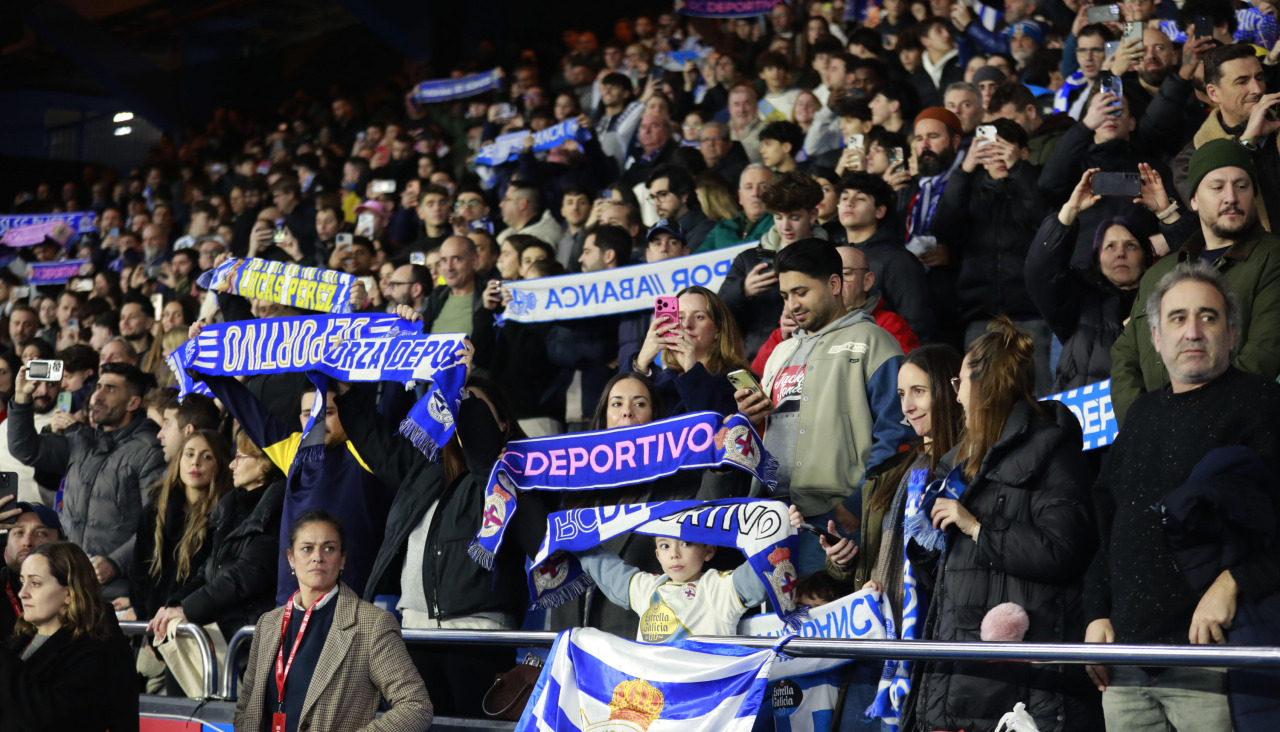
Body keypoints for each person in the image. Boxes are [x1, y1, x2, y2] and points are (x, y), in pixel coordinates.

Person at [1085, 262, 1280, 732]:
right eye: (1177, 318)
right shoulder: (1140, 416)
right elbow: (1108, 524)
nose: (1192, 331)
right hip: (1128, 665)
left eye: (1208, 317)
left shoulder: (1262, 406)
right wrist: (1097, 614)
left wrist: (1235, 581)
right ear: (1155, 337)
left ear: (1232, 333)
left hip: (1217, 662)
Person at [904, 317, 1099, 732]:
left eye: (960, 385)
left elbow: (1063, 550)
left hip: (1021, 683)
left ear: (987, 388)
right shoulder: (956, 461)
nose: (956, 398)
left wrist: (977, 528)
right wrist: (926, 545)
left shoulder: (1053, 452)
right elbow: (950, 576)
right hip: (959, 673)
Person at [736, 239, 911, 576]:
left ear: (834, 284)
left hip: (834, 521)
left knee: (823, 620)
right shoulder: (780, 352)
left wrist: (855, 505)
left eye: (801, 292)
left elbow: (897, 433)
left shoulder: (875, 341)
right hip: (772, 518)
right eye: (785, 296)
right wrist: (750, 417)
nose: (792, 305)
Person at [193, 321, 397, 605]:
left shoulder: (365, 450)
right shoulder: (296, 451)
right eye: (306, 414)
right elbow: (244, 406)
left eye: (326, 412)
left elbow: (390, 397)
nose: (314, 421)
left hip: (351, 608)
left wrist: (401, 336)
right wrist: (205, 362)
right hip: (291, 605)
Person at [1111, 140, 1280, 425]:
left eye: (1242, 186)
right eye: (1216, 187)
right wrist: (1141, 427)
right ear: (1194, 199)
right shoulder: (1159, 273)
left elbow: (1262, 356)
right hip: (1155, 440)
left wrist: (1191, 422)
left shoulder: (1272, 257)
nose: (1231, 197)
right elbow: (1124, 357)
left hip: (1232, 434)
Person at [234, 511, 433, 732]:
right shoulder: (268, 623)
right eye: (307, 548)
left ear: (342, 559)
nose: (317, 557)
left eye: (328, 548)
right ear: (291, 558)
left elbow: (416, 706)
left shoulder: (372, 624)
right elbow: (246, 707)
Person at [7, 361, 165, 599]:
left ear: (133, 402)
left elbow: (156, 522)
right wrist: (21, 398)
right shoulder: (80, 440)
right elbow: (24, 448)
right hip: (65, 582)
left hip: (115, 588)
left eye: (110, 389)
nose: (97, 396)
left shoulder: (149, 451)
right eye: (98, 386)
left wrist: (116, 563)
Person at [148, 430, 285, 646]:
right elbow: (207, 570)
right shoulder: (231, 509)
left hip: (244, 641)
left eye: (240, 457)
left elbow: (245, 576)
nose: (232, 465)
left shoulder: (274, 513)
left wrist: (188, 609)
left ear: (264, 464)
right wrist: (175, 604)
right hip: (221, 631)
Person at [1027, 169, 1154, 392]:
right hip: (1081, 423)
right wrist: (1070, 210)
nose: (1120, 253)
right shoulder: (1078, 300)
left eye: (1131, 245)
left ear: (1146, 259)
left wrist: (1167, 213)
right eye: (1110, 246)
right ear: (1097, 259)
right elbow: (1040, 272)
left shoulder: (1162, 301)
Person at [0, 542, 137, 731]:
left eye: (36, 583)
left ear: (69, 593)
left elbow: (49, 718)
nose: (23, 593)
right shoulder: (17, 641)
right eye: (23, 582)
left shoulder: (95, 652)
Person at [575, 533, 769, 644]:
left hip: (702, 699)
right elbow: (605, 568)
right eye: (665, 546)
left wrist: (780, 530)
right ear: (658, 555)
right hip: (655, 699)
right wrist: (574, 537)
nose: (674, 554)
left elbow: (761, 569)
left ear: (708, 551)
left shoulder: (719, 586)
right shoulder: (648, 587)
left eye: (685, 544)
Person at [720, 170, 825, 359]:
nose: (785, 226)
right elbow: (718, 312)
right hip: (758, 358)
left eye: (794, 218)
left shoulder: (832, 256)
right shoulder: (749, 259)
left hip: (815, 356)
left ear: (813, 214)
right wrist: (742, 290)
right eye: (778, 217)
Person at [835, 172, 935, 342]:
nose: (849, 203)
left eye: (860, 198)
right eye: (844, 198)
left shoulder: (899, 260)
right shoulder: (832, 253)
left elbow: (917, 324)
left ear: (880, 211)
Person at [628, 285, 750, 416]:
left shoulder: (739, 380)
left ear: (718, 329)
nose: (686, 325)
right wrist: (641, 363)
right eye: (680, 317)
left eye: (699, 317)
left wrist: (692, 369)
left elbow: (717, 427)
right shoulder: (660, 381)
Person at [0, 501, 60, 639]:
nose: (27, 541)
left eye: (40, 533)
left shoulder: (84, 602)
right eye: (19, 532)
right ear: (5, 554)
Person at [699, 164, 775, 252]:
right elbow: (696, 258)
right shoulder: (722, 227)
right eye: (749, 187)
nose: (755, 193)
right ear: (740, 197)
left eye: (764, 187)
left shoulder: (781, 222)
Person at [646, 165, 714, 252]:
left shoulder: (706, 230)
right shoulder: (660, 231)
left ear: (683, 196)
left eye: (663, 195)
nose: (656, 204)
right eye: (653, 197)